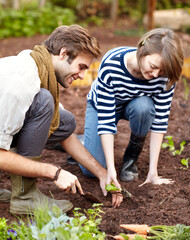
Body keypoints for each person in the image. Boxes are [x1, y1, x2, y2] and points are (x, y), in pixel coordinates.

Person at [0, 25, 123, 215]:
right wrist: (54, 172)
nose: (82, 75)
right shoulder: (21, 81)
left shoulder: (39, 66)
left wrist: (102, 173)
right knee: (43, 103)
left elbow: (65, 134)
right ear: (63, 54)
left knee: (63, 121)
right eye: (81, 67)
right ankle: (25, 197)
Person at [81, 28, 184, 188]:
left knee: (144, 108)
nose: (155, 75)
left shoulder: (165, 77)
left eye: (162, 71)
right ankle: (82, 142)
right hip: (103, 106)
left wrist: (153, 172)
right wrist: (110, 170)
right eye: (153, 66)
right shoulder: (112, 63)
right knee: (90, 171)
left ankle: (130, 159)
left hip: (136, 106)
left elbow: (160, 121)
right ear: (143, 49)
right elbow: (106, 119)